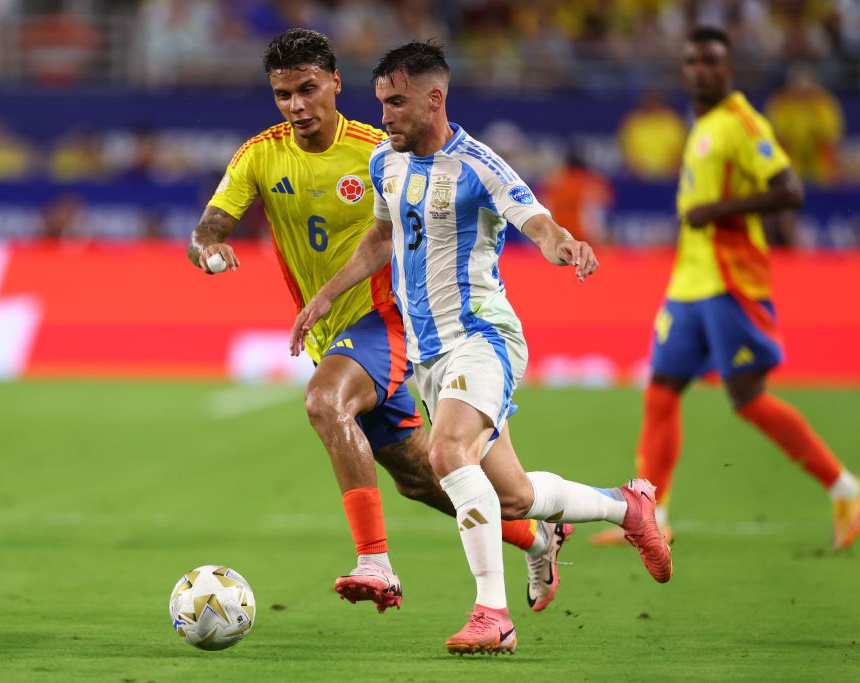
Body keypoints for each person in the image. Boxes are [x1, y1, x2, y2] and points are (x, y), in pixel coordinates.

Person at [290, 41, 672, 656]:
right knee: (513, 496)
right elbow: (381, 236)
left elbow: (535, 221)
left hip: (483, 336)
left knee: (443, 453)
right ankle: (626, 506)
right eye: (380, 103)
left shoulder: (479, 165)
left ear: (433, 98)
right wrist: (329, 296)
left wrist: (564, 244)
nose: (383, 117)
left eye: (395, 103)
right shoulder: (386, 164)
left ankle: (492, 614)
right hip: (431, 356)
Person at [187, 29, 569, 617]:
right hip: (329, 334)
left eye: (308, 89)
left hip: (387, 319)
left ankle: (375, 563)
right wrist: (208, 249)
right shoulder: (260, 155)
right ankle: (535, 535)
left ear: (336, 83)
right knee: (420, 478)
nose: (296, 106)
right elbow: (209, 226)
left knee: (323, 401)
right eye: (283, 95)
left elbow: (399, 231)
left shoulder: (379, 151)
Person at [591, 27, 859, 550]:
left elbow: (790, 190)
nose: (699, 71)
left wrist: (717, 211)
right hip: (689, 284)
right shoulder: (703, 125)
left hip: (730, 282)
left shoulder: (742, 123)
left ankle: (845, 488)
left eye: (711, 62)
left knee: (748, 399)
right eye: (691, 62)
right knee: (661, 393)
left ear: (729, 70)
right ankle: (654, 514)